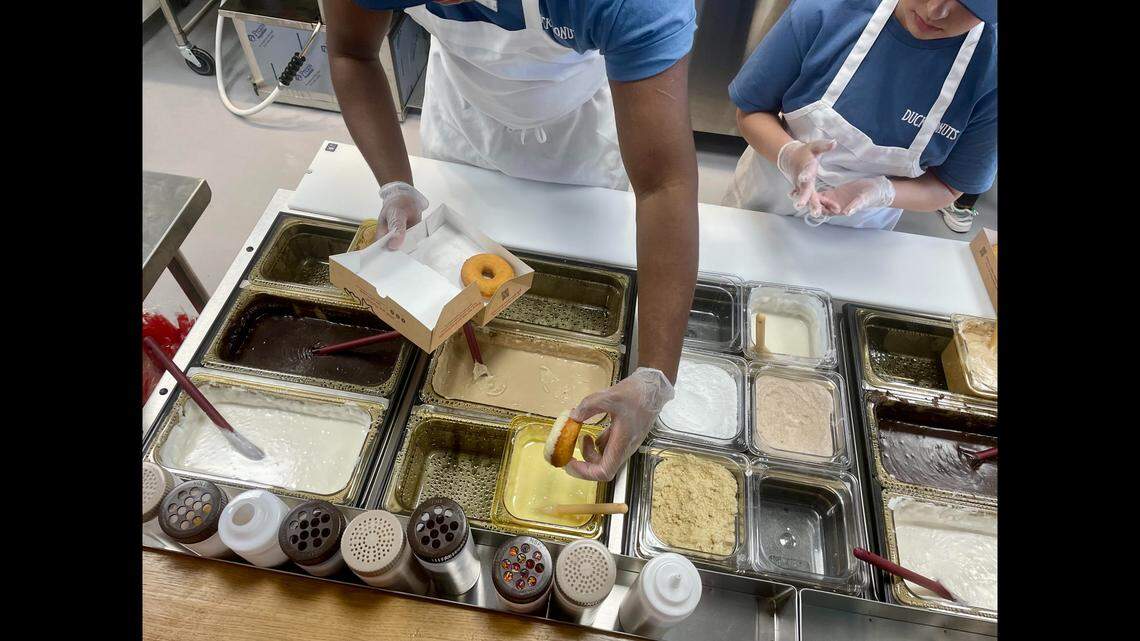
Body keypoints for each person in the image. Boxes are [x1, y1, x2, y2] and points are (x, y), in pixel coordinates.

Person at [325, 0, 700, 481]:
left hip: (577, 132)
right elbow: (352, 54)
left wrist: (654, 377)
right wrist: (395, 184)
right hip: (463, 122)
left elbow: (665, 184)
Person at [722, 0, 997, 230]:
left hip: (863, 230)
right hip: (760, 206)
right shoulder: (827, 9)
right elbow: (751, 111)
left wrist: (881, 192)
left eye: (968, 3)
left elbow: (949, 187)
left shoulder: (988, 73)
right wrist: (789, 155)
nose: (935, 10)